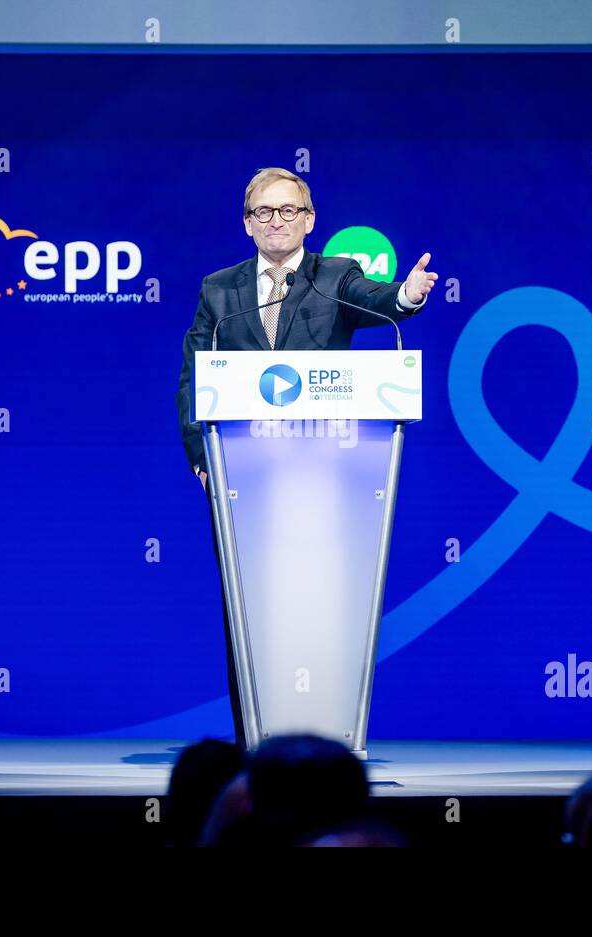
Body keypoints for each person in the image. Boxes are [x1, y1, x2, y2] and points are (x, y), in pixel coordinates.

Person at [175, 167, 437, 747]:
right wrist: (202, 459)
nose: (277, 222)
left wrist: (407, 296)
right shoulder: (220, 290)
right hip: (243, 478)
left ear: (310, 219)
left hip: (325, 473)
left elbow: (380, 302)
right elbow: (194, 376)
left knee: (320, 602)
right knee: (249, 605)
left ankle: (327, 738)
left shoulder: (335, 277)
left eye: (288, 210)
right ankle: (256, 741)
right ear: (247, 225)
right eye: (264, 213)